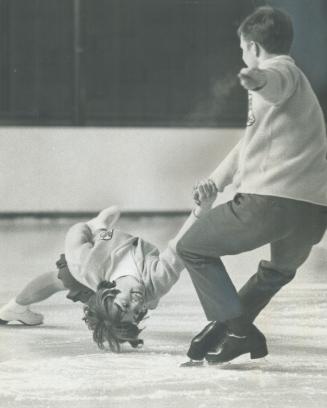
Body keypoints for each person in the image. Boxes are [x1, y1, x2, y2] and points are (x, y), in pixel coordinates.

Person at [176, 6, 327, 364]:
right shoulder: (297, 95)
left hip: (270, 203)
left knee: (192, 247)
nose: (242, 55)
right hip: (314, 211)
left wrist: (257, 80)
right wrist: (215, 180)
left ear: (255, 48)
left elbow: (275, 82)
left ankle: (240, 329)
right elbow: (246, 145)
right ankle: (226, 328)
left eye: (243, 49)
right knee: (276, 272)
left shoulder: (280, 72)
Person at [0, 180, 218, 352]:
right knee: (59, 279)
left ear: (107, 294)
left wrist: (95, 227)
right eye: (136, 312)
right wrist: (202, 209)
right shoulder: (156, 280)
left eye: (126, 305)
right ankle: (15, 308)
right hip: (104, 249)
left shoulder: (87, 265)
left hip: (98, 255)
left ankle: (16, 306)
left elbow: (76, 236)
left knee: (62, 277)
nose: (136, 303)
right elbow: (180, 248)